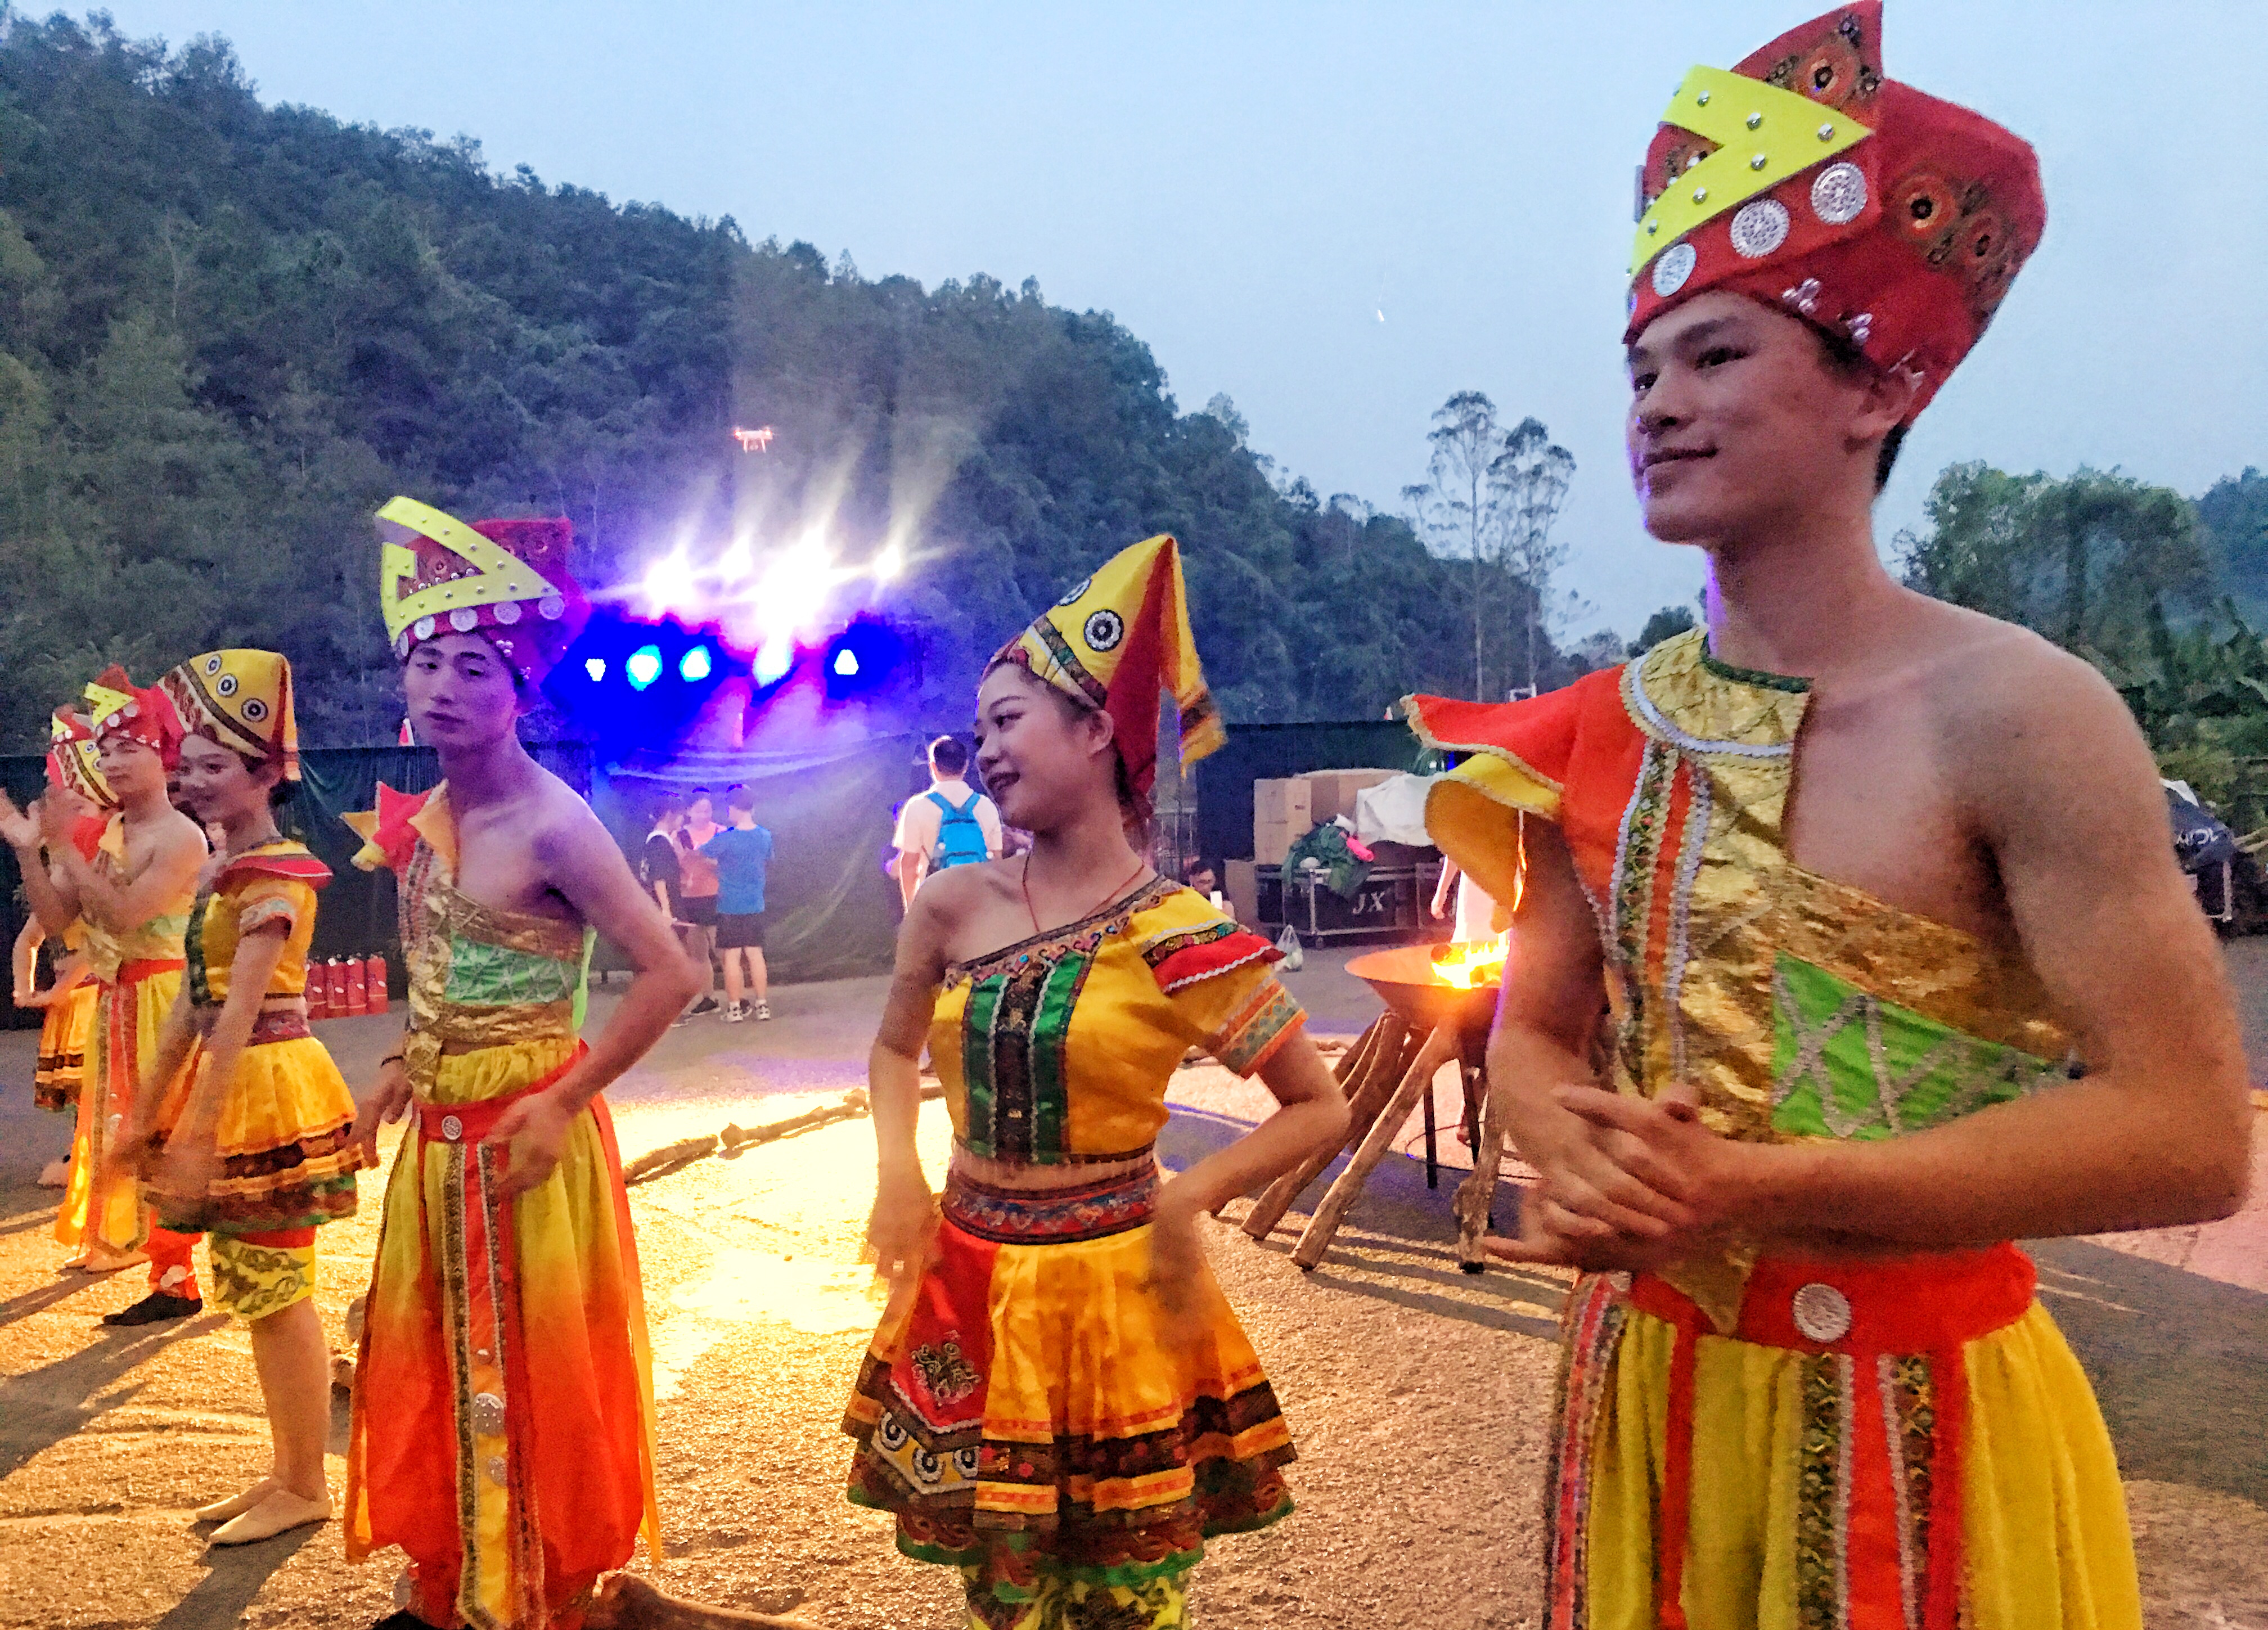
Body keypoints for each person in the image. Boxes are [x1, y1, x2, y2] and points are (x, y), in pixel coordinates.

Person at [1405, 10, 2249, 1626]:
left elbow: (2187, 1134)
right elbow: (1534, 1029)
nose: (1655, 402)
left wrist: (1759, 1188)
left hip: (1924, 1418)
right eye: (1642, 368)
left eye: (1717, 355)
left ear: (1879, 387)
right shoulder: (1603, 724)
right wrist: (1548, 1126)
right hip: (1642, 1395)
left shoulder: (2026, 715)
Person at [848, 533, 1351, 1630]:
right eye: (979, 729)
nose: (985, 749)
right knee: (1003, 1581)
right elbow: (892, 1050)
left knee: (1128, 1593)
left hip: (1117, 1294)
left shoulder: (1181, 933)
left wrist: (1189, 1195)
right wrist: (898, 1175)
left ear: (1096, 732)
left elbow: (1323, 1103)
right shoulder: (950, 906)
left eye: (1009, 723)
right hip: (971, 1275)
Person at [344, 497, 702, 1630]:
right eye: (428, 664)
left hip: (528, 1145)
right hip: (439, 1144)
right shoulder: (436, 815)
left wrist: (564, 1100)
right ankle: (456, 1583)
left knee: (536, 1375)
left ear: (520, 693)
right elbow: (443, 966)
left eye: (475, 669)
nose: (444, 688)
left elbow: (668, 973)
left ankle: (536, 1594)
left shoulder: (556, 824)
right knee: (433, 1356)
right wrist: (406, 1055)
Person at [125, 647, 363, 1543]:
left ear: (267, 772)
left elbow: (241, 1009)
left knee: (276, 1286)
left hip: (266, 1083)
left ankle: (303, 1481)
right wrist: (147, 1107)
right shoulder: (229, 866)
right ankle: (286, 1471)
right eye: (190, 765)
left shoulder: (277, 871)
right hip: (240, 1080)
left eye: (216, 766)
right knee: (260, 1288)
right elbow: (194, 997)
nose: (196, 780)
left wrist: (199, 1116)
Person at [4, 671, 208, 1288]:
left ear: (164, 755)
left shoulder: (182, 836)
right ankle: (127, 1244)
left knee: (163, 1125)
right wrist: (26, 850)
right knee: (111, 1121)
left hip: (166, 997)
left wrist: (63, 850)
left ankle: (176, 1268)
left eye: (129, 747)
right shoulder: (106, 835)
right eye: (107, 749)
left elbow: (123, 915)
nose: (113, 760)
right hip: (119, 1000)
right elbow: (59, 919)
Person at [893, 734, 1004, 907]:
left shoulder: (917, 806)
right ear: (966, 766)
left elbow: (909, 866)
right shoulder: (986, 806)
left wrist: (912, 912)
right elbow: (996, 861)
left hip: (937, 905)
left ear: (933, 767)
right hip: (980, 904)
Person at [700, 785, 774, 1022]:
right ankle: (762, 1006)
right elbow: (766, 859)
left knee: (731, 957)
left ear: (733, 808)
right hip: (755, 904)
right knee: (755, 954)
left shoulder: (725, 838)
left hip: (729, 906)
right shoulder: (765, 835)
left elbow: (700, 854)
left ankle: (734, 1008)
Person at [674, 787, 723, 1017]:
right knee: (698, 953)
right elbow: (673, 865)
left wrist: (706, 858)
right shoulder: (679, 835)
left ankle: (738, 996)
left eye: (708, 810)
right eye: (700, 810)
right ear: (689, 812)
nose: (704, 815)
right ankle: (708, 998)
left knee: (722, 948)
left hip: (715, 896)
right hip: (689, 900)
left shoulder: (721, 832)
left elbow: (727, 864)